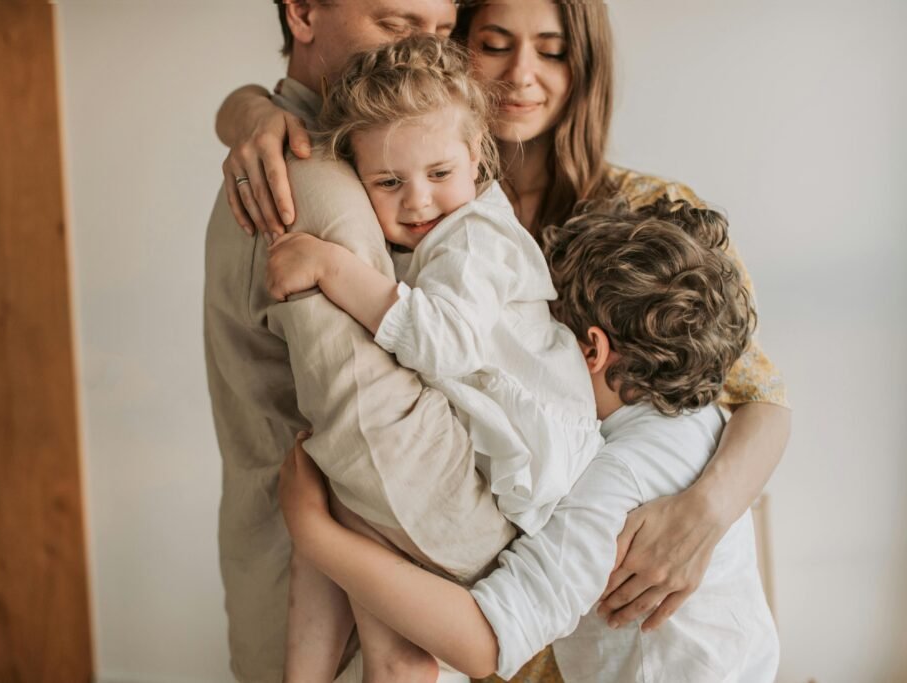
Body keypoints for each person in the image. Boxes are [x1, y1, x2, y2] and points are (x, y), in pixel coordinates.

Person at [218, 1, 790, 678]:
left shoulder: (641, 216)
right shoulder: (402, 181)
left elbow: (760, 398)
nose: (521, 74)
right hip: (503, 600)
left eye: (552, 50)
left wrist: (705, 512)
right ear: (454, 53)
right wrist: (243, 108)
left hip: (554, 585)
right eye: (494, 44)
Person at [277, 197, 782, 681]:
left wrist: (315, 534)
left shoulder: (616, 480)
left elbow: (485, 642)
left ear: (591, 350)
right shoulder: (705, 420)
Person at [265, 34, 603, 681]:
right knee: (334, 490)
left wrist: (332, 267)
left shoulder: (476, 239)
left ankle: (376, 664)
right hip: (500, 460)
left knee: (346, 492)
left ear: (476, 153)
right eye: (388, 182)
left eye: (439, 174)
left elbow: (441, 340)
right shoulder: (440, 230)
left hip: (533, 481)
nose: (417, 201)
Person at [203, 2, 519, 681]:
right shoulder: (316, 184)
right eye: (398, 26)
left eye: (443, 33)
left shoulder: (367, 156)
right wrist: (532, 556)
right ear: (303, 12)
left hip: (303, 587)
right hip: (347, 621)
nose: (425, 54)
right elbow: (382, 448)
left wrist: (242, 105)